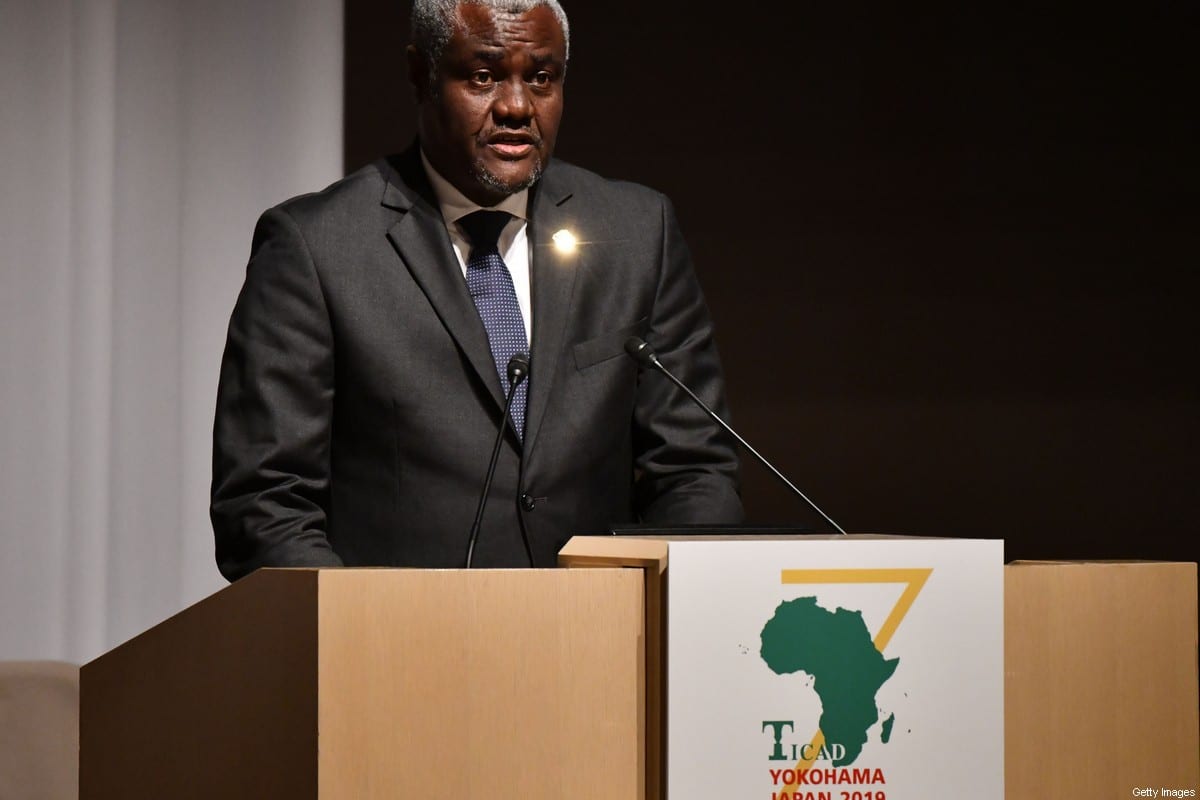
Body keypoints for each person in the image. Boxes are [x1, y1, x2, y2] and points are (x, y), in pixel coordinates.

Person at [210, 0, 743, 580]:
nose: (516, 107)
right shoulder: (317, 248)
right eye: (484, 76)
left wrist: (673, 613)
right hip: (397, 654)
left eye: (542, 78)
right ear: (422, 75)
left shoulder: (638, 234)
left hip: (602, 648)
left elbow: (694, 470)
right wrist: (356, 640)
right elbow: (265, 503)